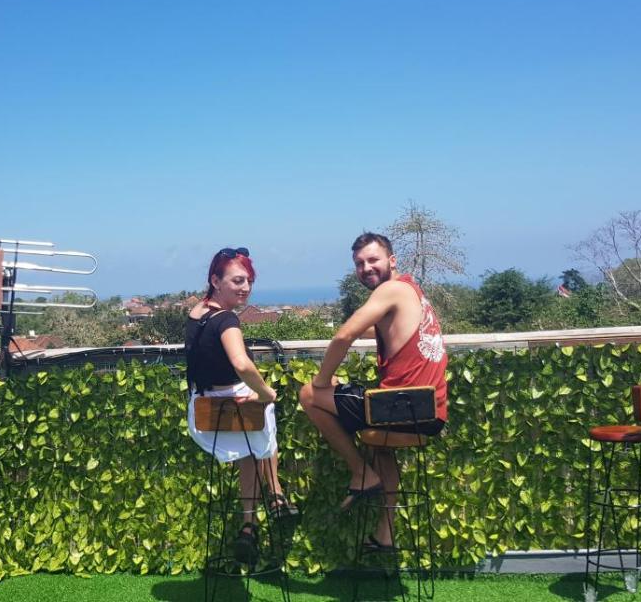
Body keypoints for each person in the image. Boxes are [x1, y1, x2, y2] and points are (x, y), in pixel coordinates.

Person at [298, 232, 448, 553]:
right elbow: (381, 327)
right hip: (428, 412)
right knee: (380, 446)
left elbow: (344, 335)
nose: (366, 268)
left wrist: (323, 380)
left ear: (392, 261)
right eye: (359, 263)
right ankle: (386, 534)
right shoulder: (411, 290)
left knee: (309, 394)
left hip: (400, 409)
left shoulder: (390, 290)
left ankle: (361, 473)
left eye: (372, 260)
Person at [185, 246, 297, 564]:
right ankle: (275, 494)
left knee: (250, 447)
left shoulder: (196, 313)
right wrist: (265, 392)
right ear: (215, 280)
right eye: (237, 281)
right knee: (263, 413)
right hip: (232, 410)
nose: (245, 287)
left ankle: (249, 526)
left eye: (248, 281)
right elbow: (241, 363)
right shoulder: (227, 319)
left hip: (203, 413)